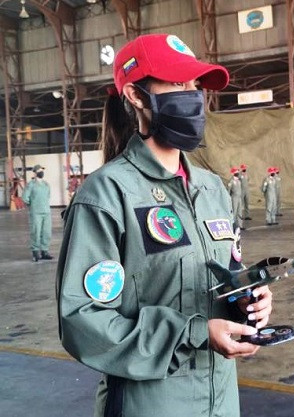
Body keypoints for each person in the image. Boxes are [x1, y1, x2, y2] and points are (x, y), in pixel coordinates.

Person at [55, 34, 272, 417]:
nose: (192, 95)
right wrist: (192, 333)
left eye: (195, 85)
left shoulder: (211, 188)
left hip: (221, 396)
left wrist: (246, 300)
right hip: (152, 402)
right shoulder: (107, 195)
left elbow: (227, 271)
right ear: (137, 96)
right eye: (176, 83)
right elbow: (82, 320)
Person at [22, 164, 53, 262]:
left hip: (46, 211)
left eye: (42, 170)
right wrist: (33, 205)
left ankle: (44, 251)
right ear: (35, 172)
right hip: (36, 212)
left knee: (46, 232)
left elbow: (48, 196)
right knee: (36, 232)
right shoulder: (31, 185)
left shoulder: (46, 184)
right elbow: (25, 198)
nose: (41, 172)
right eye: (39, 170)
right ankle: (35, 252)